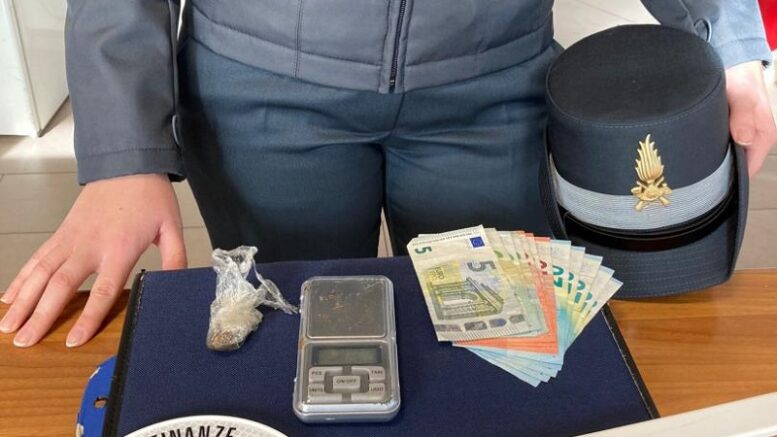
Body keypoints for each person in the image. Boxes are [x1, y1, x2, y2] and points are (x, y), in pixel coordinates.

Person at [1, 1, 775, 348]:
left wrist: (728, 40)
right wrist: (124, 154)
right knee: (290, 338)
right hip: (255, 90)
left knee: (497, 343)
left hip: (495, 88)